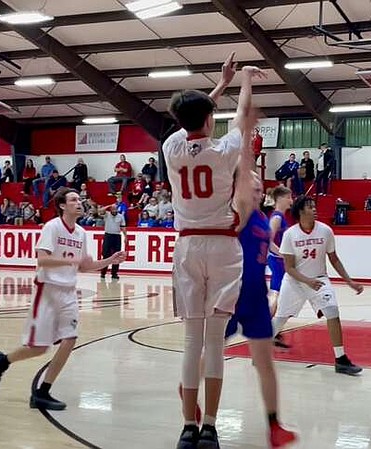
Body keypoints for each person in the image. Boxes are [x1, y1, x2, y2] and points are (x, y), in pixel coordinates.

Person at [162, 53, 266, 449]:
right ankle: (210, 427)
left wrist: (217, 86)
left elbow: (191, 117)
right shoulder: (225, 149)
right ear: (209, 119)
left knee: (191, 342)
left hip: (187, 245)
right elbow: (241, 113)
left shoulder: (171, 146)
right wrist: (242, 80)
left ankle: (187, 427)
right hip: (222, 246)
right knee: (214, 342)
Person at [0, 187, 126, 410]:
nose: (79, 203)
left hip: (69, 292)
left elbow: (86, 265)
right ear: (62, 205)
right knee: (39, 348)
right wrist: (69, 260)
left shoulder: (81, 232)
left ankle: (42, 392)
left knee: (70, 339)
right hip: (47, 291)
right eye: (73, 200)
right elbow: (42, 259)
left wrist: (110, 259)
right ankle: (2, 361)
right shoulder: (52, 227)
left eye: (79, 199)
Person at [224, 170, 297, 448]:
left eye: (259, 188)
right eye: (250, 186)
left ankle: (274, 425)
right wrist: (244, 134)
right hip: (231, 294)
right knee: (211, 356)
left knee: (265, 363)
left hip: (255, 296)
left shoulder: (263, 219)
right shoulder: (239, 212)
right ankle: (190, 392)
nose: (256, 191)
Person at [272, 195, 365, 376]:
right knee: (280, 318)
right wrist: (307, 281)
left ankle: (341, 360)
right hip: (295, 282)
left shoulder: (325, 231)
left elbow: (334, 259)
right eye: (309, 207)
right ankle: (261, 348)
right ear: (300, 211)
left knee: (332, 312)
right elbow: (289, 268)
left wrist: (350, 282)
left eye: (314, 206)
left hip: (319, 280)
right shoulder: (290, 234)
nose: (314, 209)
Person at [267, 186, 293, 316]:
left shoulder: (281, 217)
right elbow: (268, 242)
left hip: (280, 260)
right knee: (275, 292)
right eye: (288, 197)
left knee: (279, 292)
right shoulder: (276, 217)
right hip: (277, 260)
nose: (291, 200)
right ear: (280, 199)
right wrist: (283, 255)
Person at [99, 204, 127, 279]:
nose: (114, 211)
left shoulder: (121, 216)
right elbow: (100, 210)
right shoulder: (107, 214)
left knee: (117, 256)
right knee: (106, 255)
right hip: (108, 236)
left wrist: (125, 236)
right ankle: (103, 273)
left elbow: (123, 227)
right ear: (110, 210)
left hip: (117, 236)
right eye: (113, 209)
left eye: (116, 209)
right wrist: (108, 206)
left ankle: (114, 273)